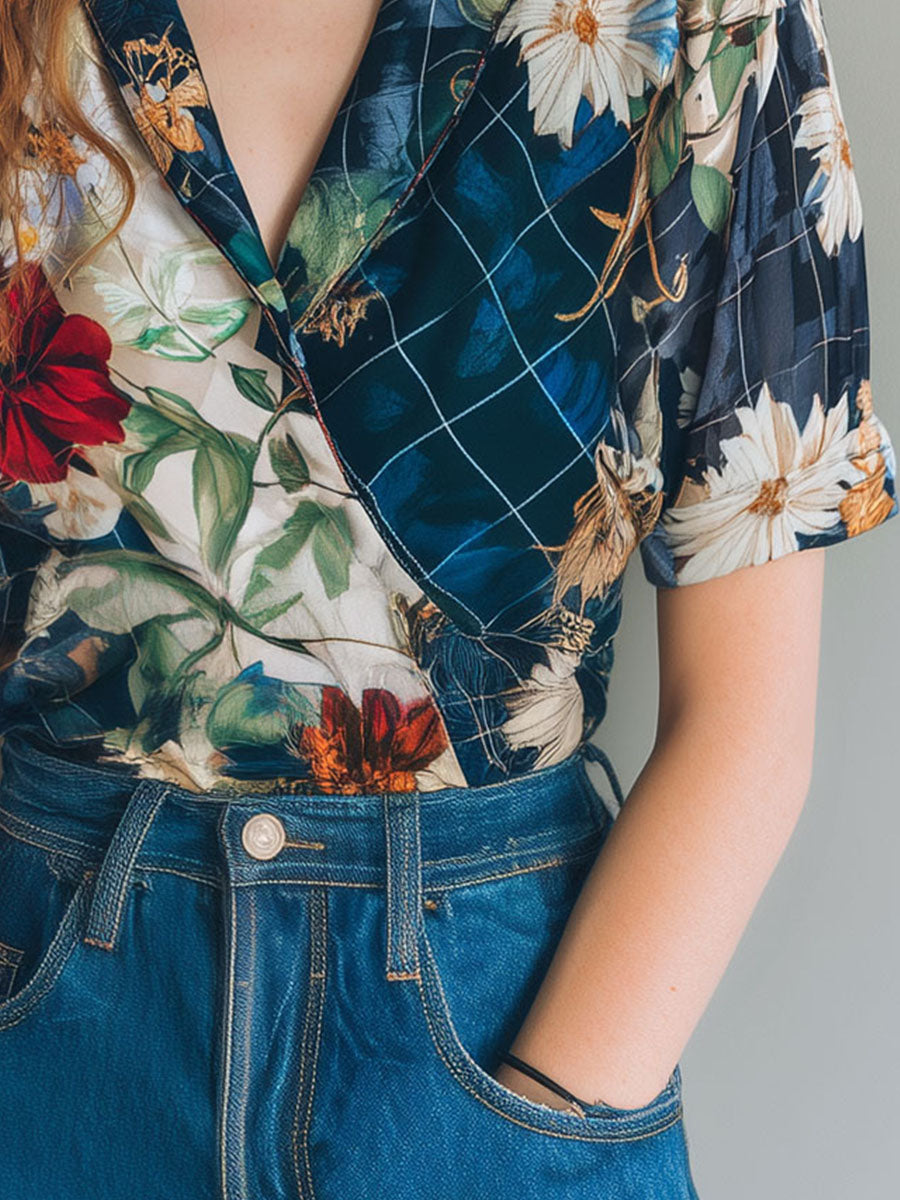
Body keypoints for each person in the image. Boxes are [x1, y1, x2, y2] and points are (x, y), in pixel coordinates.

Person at [0, 1, 895, 1197]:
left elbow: (748, 725)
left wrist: (528, 1133)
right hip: (44, 1024)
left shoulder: (703, 22)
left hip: (502, 1024)